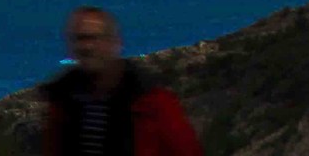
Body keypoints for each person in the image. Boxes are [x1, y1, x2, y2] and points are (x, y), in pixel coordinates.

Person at [39, 8, 201, 156]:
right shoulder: (63, 101)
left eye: (94, 38)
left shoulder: (153, 103)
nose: (87, 47)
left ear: (114, 43)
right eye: (79, 39)